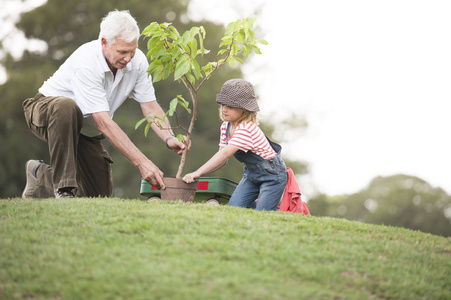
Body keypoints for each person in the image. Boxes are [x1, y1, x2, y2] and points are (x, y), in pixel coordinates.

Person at [22, 10, 188, 199]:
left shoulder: (138, 62)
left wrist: (169, 138)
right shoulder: (86, 62)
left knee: (98, 195)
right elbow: (103, 122)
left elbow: (150, 106)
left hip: (86, 129)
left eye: (132, 50)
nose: (128, 58)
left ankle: (40, 177)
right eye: (122, 52)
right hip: (47, 112)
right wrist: (142, 163)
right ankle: (64, 189)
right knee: (67, 107)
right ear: (104, 43)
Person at [183, 79, 288, 211]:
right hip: (251, 174)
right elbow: (222, 159)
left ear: (244, 110)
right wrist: (201, 174)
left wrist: (197, 173)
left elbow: (224, 154)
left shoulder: (246, 129)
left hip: (272, 176)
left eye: (230, 106)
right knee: (235, 207)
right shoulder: (225, 127)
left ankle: (281, 211)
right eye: (222, 105)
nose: (224, 109)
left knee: (263, 213)